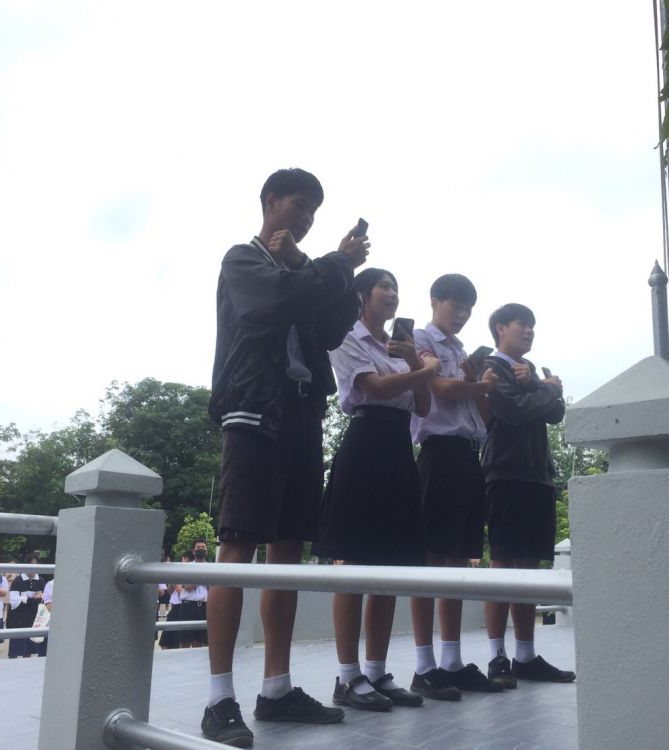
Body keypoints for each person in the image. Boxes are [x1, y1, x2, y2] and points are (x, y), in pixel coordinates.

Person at [203, 167, 368, 747]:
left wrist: (328, 273)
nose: (305, 219)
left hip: (301, 412)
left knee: (288, 551)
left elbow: (330, 330)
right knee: (237, 547)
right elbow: (270, 304)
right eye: (299, 206)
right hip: (254, 410)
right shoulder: (243, 260)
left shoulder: (301, 274)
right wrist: (335, 262)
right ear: (271, 201)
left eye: (313, 213)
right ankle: (218, 698)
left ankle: (276, 688)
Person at [314, 268, 439, 712]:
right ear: (363, 295)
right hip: (365, 447)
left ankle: (376, 671)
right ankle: (347, 677)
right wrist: (427, 370)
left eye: (396, 288)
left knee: (390, 567)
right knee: (353, 564)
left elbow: (424, 406)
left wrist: (415, 363)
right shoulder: (348, 337)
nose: (393, 294)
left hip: (399, 452)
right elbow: (375, 387)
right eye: (384, 286)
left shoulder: (401, 347)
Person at [409, 274, 505, 698]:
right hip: (438, 452)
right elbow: (441, 390)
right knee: (431, 559)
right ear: (435, 301)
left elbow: (484, 414)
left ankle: (451, 660)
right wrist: (478, 384)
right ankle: (424, 665)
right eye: (455, 306)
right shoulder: (419, 340)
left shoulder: (462, 351)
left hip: (467, 454)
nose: (462, 315)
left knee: (459, 560)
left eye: (468, 309)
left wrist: (476, 383)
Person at [481, 303, 575, 683]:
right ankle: (497, 658)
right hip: (505, 474)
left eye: (533, 325)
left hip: (538, 477)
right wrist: (548, 389)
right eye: (522, 324)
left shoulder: (529, 370)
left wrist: (537, 385)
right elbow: (513, 411)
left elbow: (556, 413)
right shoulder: (489, 366)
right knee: (503, 563)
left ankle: (525, 656)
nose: (530, 330)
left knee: (529, 567)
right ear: (500, 328)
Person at [6, 552, 46, 658]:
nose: (33, 568)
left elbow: (44, 599)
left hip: (33, 619)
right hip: (18, 620)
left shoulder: (41, 581)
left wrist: (26, 598)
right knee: (15, 650)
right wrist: (32, 598)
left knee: (29, 650)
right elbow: (14, 602)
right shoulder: (18, 580)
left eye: (36, 565)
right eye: (31, 565)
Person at [158, 550, 195, 650]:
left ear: (185, 559)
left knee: (177, 642)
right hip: (174, 607)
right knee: (165, 642)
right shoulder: (178, 573)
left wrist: (177, 577)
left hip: (181, 607)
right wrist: (173, 581)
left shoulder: (188, 573)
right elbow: (169, 592)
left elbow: (179, 590)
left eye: (183, 559)